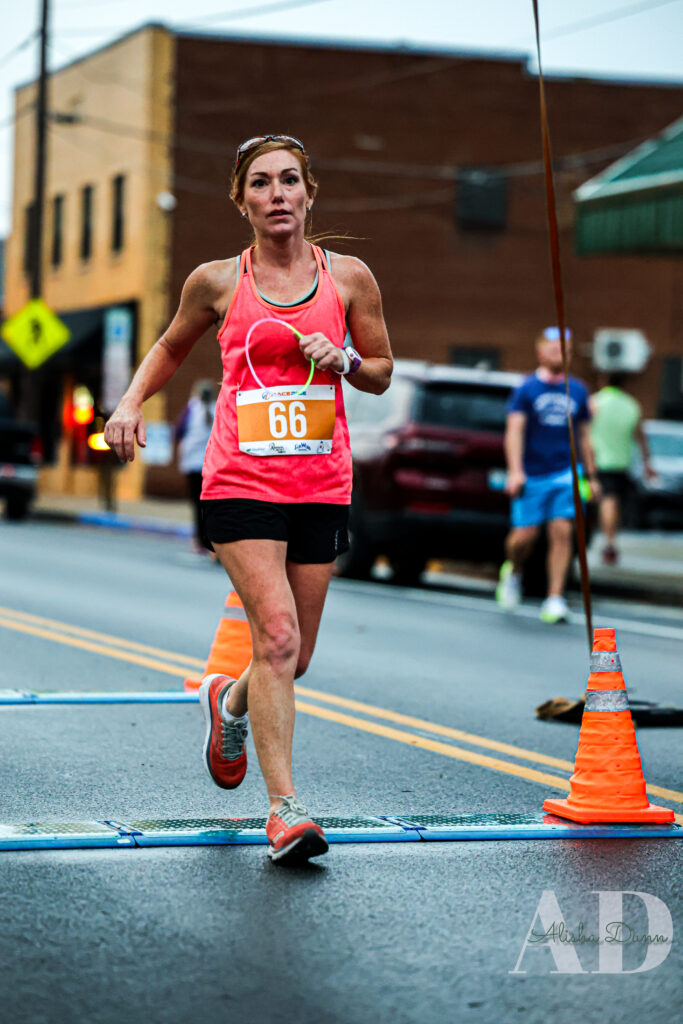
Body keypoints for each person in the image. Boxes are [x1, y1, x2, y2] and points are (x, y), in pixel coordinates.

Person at [105, 134, 393, 864]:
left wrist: (346, 359)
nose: (276, 194)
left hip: (320, 484)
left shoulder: (350, 279)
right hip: (239, 479)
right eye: (260, 183)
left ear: (308, 193)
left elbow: (382, 371)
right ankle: (285, 810)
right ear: (242, 201)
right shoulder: (214, 281)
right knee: (276, 638)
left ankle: (227, 703)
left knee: (293, 660)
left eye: (288, 181)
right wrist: (130, 402)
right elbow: (171, 346)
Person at [496, 327, 599, 623]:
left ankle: (554, 598)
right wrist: (515, 471)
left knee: (563, 532)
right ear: (540, 352)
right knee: (524, 537)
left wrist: (591, 475)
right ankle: (513, 570)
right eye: (554, 348)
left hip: (566, 472)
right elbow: (514, 431)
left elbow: (584, 436)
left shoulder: (577, 390)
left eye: (565, 349)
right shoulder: (527, 389)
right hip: (532, 473)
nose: (559, 354)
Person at [590, 373, 654, 564]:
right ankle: (610, 540)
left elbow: (582, 430)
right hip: (621, 462)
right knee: (613, 502)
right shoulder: (631, 405)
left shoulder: (594, 402)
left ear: (603, 381)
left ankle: (607, 542)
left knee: (606, 502)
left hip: (597, 461)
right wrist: (647, 463)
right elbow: (640, 436)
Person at [175, 379, 216, 554]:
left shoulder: (192, 409)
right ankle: (211, 540)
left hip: (192, 464)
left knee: (196, 504)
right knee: (210, 505)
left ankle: (199, 541)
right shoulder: (217, 408)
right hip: (212, 464)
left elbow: (178, 431)